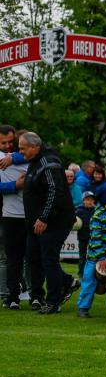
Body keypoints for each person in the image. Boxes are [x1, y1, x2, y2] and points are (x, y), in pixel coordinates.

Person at [19, 132, 79, 314]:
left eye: (22, 149)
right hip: (37, 222)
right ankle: (67, 282)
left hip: (55, 220)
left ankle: (53, 302)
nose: (20, 152)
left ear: (34, 147)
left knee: (49, 259)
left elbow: (55, 190)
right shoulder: (36, 160)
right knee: (33, 257)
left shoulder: (48, 162)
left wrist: (44, 217)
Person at [77, 183, 106, 318]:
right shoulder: (97, 216)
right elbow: (95, 238)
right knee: (89, 282)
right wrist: (101, 257)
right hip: (94, 257)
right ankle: (83, 308)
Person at [0, 124, 31, 309]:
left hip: (20, 214)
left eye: (10, 142)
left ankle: (23, 291)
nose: (7, 146)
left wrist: (13, 157)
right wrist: (15, 186)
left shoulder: (16, 157)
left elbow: (38, 152)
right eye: (3, 143)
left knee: (24, 256)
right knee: (8, 258)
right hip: (7, 214)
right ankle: (7, 294)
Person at [74, 191, 96, 278]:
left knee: (94, 256)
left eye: (91, 200)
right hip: (82, 238)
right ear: (83, 200)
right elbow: (73, 222)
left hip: (94, 238)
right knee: (82, 256)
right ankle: (81, 273)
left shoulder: (96, 210)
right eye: (87, 199)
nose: (90, 201)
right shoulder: (79, 211)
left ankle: (94, 273)